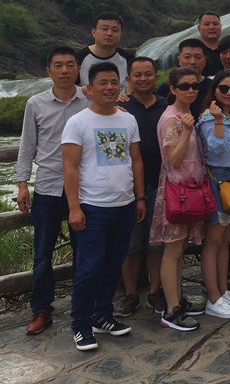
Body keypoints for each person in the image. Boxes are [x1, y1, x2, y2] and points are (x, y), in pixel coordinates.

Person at [62, 62, 146, 351]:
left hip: (124, 204)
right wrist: (74, 207)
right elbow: (70, 167)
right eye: (103, 83)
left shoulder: (128, 120)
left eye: (114, 82)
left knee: (112, 264)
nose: (109, 87)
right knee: (88, 268)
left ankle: (102, 316)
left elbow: (136, 160)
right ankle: (81, 324)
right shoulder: (78, 122)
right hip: (93, 207)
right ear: (89, 89)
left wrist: (140, 197)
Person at [15, 46, 88, 336]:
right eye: (58, 65)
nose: (64, 70)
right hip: (47, 187)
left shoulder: (90, 100)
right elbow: (27, 146)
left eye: (70, 65)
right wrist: (22, 184)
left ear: (78, 69)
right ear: (49, 71)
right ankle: (42, 308)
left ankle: (84, 305)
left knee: (84, 250)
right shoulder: (36, 103)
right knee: (42, 253)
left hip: (83, 188)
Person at [152, 68, 206, 331]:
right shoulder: (172, 119)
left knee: (180, 248)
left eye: (194, 86)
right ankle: (171, 310)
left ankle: (177, 300)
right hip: (177, 191)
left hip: (188, 191)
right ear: (172, 89)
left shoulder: (183, 116)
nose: (191, 90)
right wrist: (187, 130)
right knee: (172, 251)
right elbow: (173, 159)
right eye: (184, 86)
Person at [115, 57, 168, 318]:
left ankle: (156, 292)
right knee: (131, 244)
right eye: (138, 75)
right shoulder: (120, 108)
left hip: (161, 182)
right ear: (128, 79)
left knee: (156, 242)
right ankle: (131, 294)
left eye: (148, 74)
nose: (143, 79)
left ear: (156, 77)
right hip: (127, 186)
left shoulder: (166, 105)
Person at [196, 71, 230, 318]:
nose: (229, 93)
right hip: (218, 179)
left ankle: (222, 290)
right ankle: (213, 297)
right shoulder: (209, 116)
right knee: (213, 241)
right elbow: (215, 148)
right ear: (214, 90)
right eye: (224, 88)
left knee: (225, 241)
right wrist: (217, 121)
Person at [156, 38, 211, 120]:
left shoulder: (213, 87)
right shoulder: (165, 88)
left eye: (198, 57)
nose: (192, 61)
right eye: (187, 57)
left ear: (205, 60)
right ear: (179, 60)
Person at [76, 12, 133, 87]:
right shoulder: (78, 58)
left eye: (115, 30)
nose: (109, 33)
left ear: (120, 34)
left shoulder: (129, 60)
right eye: (105, 29)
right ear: (93, 32)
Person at [197, 11, 224, 77]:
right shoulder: (193, 52)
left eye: (215, 24)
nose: (212, 27)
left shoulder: (228, 50)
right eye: (207, 24)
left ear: (220, 26)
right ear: (199, 28)